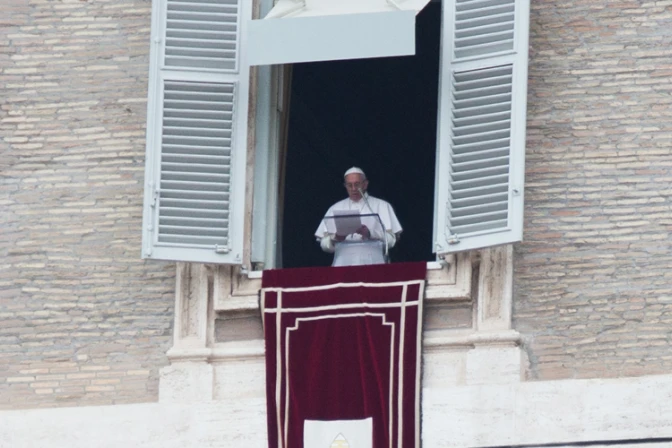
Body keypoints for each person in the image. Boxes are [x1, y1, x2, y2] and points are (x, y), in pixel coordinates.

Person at [315, 167, 402, 266]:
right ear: (345, 186)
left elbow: (391, 241)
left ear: (365, 184)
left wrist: (370, 233)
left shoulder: (382, 206)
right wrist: (336, 238)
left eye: (357, 184)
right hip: (343, 264)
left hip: (373, 263)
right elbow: (324, 245)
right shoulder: (334, 208)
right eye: (349, 185)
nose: (353, 189)